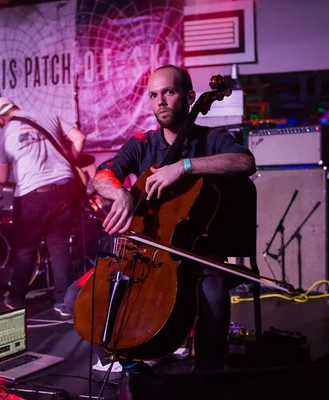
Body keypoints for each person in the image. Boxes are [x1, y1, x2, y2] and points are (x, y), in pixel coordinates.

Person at [86, 64, 256, 371]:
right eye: (153, 95)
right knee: (81, 297)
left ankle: (209, 371)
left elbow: (245, 162)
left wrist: (184, 166)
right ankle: (129, 364)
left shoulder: (211, 139)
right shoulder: (142, 143)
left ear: (190, 96)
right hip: (147, 251)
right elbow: (102, 176)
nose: (160, 101)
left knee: (213, 290)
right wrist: (119, 193)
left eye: (169, 92)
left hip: (198, 248)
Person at [0, 97, 86, 316]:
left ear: (1, 118)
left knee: (26, 249)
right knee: (59, 245)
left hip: (32, 195)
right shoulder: (48, 116)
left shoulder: (3, 135)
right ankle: (64, 302)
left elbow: (1, 177)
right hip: (64, 187)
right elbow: (79, 138)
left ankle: (15, 299)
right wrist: (70, 160)